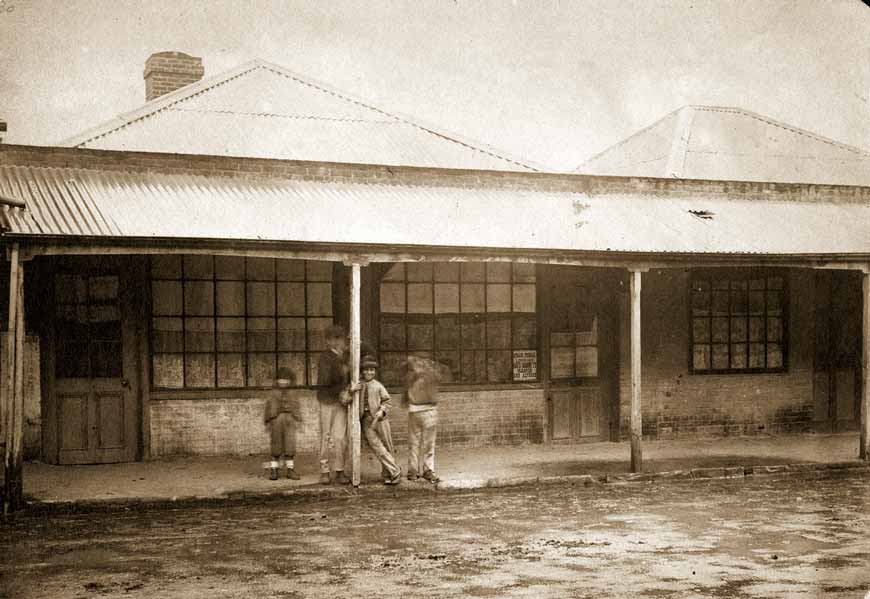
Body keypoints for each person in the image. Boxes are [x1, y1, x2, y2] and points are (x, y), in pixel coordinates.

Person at [357, 355, 402, 485]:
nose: (369, 372)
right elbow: (345, 398)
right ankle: (396, 470)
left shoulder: (378, 386)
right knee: (377, 447)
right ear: (361, 371)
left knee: (387, 446)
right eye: (366, 369)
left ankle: (388, 474)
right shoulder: (357, 385)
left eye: (372, 370)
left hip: (380, 420)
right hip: (366, 421)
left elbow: (387, 401)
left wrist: (381, 411)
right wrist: (352, 390)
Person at [316, 325, 350, 485]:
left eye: (341, 338)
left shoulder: (346, 357)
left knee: (340, 437)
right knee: (326, 436)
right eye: (336, 338)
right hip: (327, 401)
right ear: (330, 341)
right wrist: (341, 390)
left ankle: (339, 470)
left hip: (341, 402)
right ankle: (324, 470)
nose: (341, 342)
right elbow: (325, 381)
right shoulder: (325, 358)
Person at [404, 356, 441, 483]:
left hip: (416, 410)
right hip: (427, 411)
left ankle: (414, 471)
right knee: (427, 444)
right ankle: (426, 470)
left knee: (416, 443)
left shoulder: (411, 376)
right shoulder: (430, 374)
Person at [263, 367, 302, 480]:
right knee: (276, 446)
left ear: (290, 381)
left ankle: (290, 470)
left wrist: (298, 420)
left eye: (286, 380)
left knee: (290, 446)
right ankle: (274, 470)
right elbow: (268, 408)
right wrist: (268, 421)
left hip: (290, 421)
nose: (283, 382)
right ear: (277, 380)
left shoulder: (293, 394)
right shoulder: (273, 393)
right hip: (276, 421)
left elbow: (296, 407)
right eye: (281, 380)